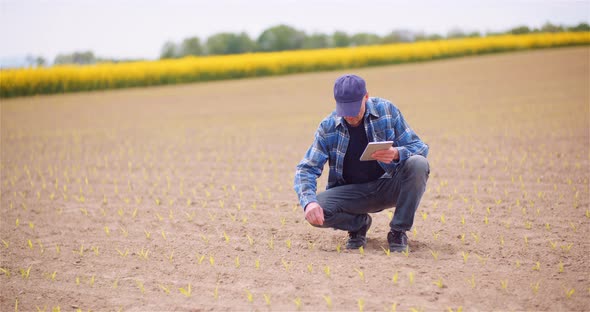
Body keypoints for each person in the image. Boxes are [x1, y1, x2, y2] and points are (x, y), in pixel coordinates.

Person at [293, 74, 429, 252]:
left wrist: (397, 153)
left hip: (389, 186)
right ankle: (358, 225)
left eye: (354, 108)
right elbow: (306, 169)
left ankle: (398, 231)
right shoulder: (327, 127)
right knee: (318, 208)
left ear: (366, 96)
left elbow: (420, 147)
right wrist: (309, 203)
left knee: (419, 164)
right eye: (344, 109)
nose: (349, 115)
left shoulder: (387, 110)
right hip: (353, 194)